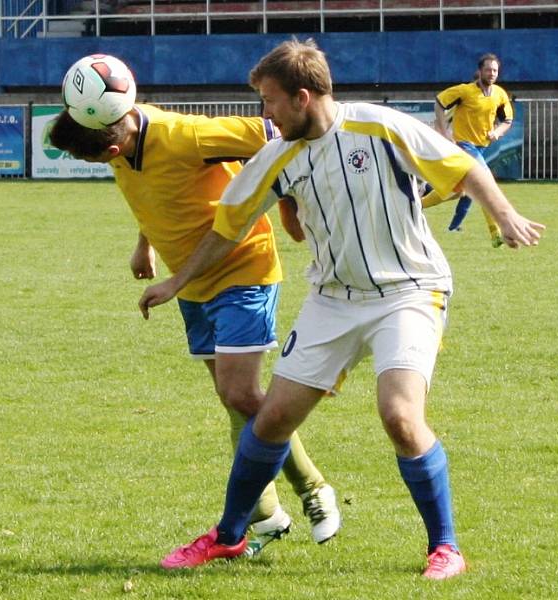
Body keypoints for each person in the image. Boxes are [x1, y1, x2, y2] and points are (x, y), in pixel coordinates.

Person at [138, 39, 544, 579]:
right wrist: (177, 280)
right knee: (273, 419)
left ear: (302, 97)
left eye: (271, 101)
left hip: (410, 291)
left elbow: (463, 166)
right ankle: (230, 536)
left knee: (400, 416)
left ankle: (445, 547)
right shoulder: (277, 155)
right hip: (332, 298)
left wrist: (504, 213)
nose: (266, 114)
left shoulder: (381, 126)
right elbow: (226, 226)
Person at [48, 102, 341, 556]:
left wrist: (288, 200)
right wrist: (144, 244)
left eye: (92, 160)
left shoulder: (186, 134)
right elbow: (156, 191)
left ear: (112, 146)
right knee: (234, 400)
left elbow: (273, 133)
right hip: (188, 279)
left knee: (241, 394)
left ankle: (313, 491)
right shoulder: (118, 125)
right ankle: (266, 516)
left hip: (243, 268)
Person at [434, 53, 514, 239]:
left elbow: (507, 120)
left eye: (495, 70)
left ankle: (419, 206)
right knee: (485, 180)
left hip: (481, 147)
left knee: (463, 191)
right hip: (464, 145)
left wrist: (497, 132)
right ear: (480, 71)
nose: (492, 73)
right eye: (488, 69)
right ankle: (496, 233)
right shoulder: (464, 91)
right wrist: (444, 132)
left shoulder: (499, 94)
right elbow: (439, 102)